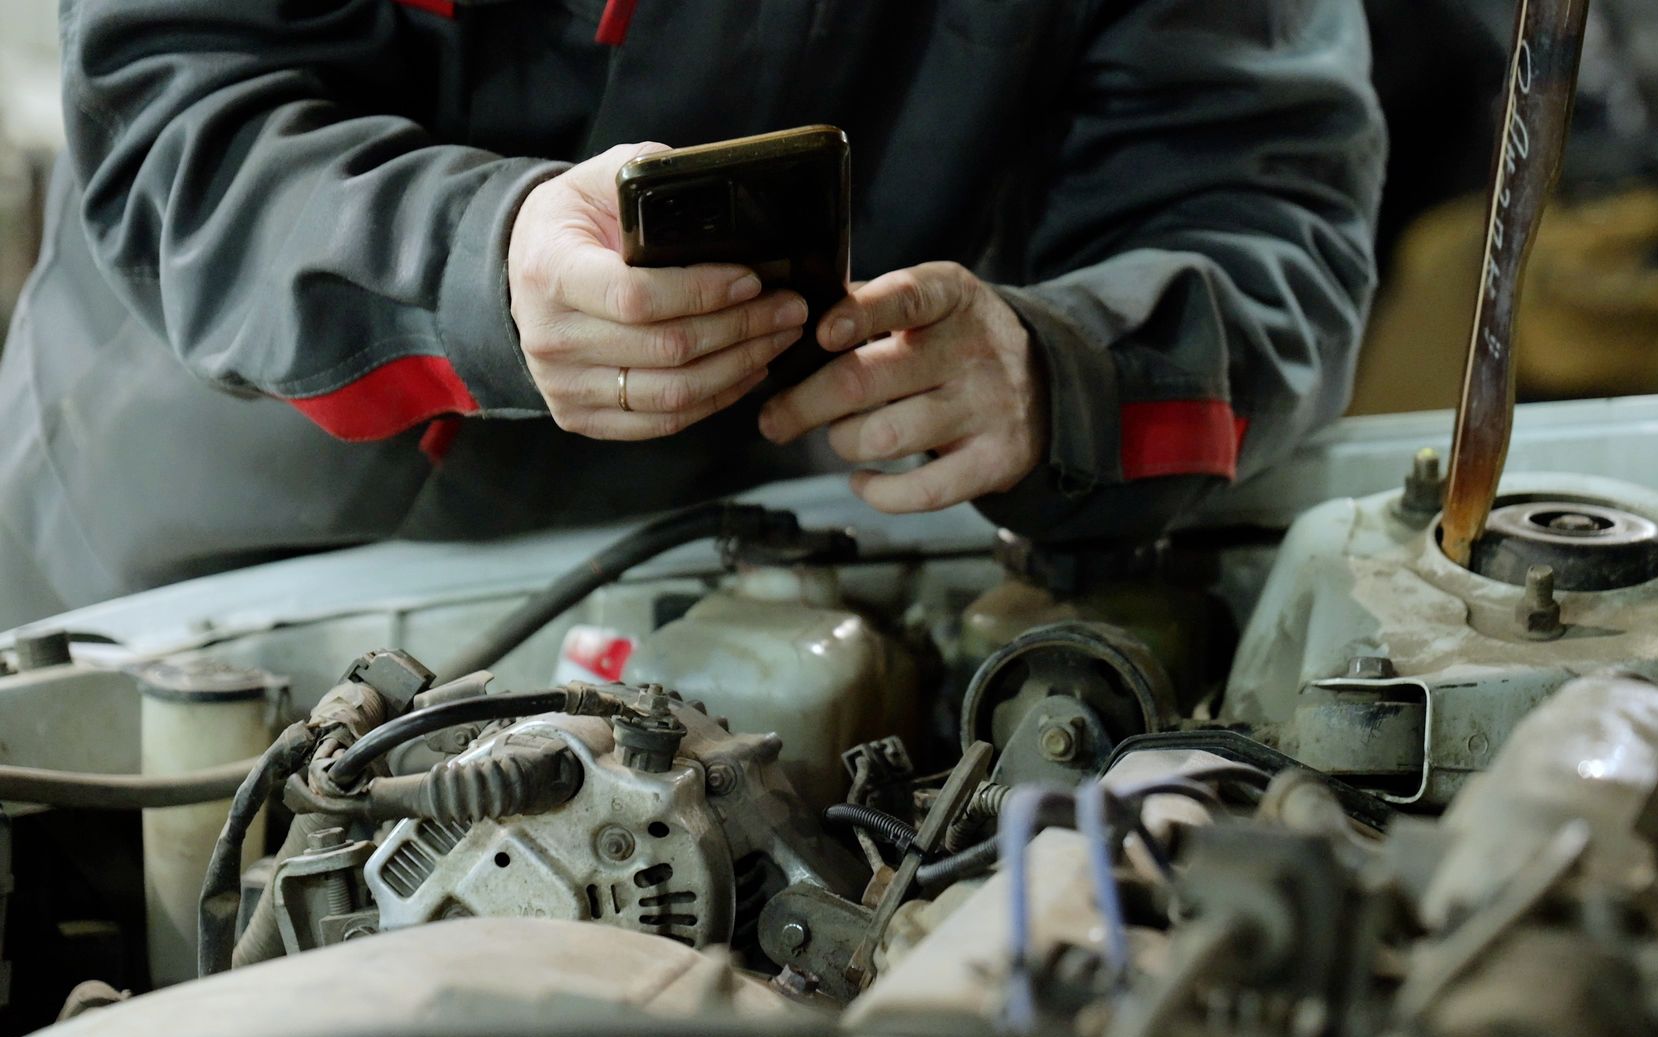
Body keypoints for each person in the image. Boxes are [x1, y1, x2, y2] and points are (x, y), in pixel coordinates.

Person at [0, 0, 1384, 629]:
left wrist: (1056, 372)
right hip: (208, 565)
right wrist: (478, 260)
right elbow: (182, 107)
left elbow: (1264, 208)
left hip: (744, 585)